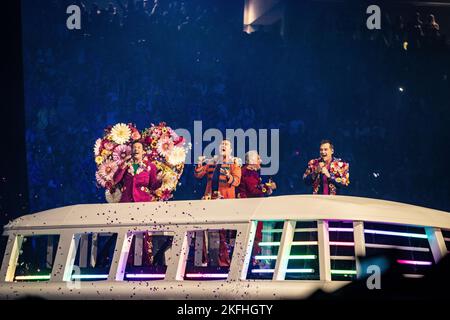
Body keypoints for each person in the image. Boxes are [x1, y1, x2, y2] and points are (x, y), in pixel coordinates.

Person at [194, 139, 242, 266]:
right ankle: (207, 260)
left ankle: (224, 262)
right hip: (210, 200)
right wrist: (199, 163)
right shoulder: (212, 163)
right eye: (222, 144)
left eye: (226, 144)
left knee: (224, 232)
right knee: (208, 229)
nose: (223, 146)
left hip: (226, 202)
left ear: (230, 149)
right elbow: (199, 175)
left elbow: (236, 181)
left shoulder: (234, 163)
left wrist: (228, 176)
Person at [237, 150, 277, 265]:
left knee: (256, 235)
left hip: (252, 208)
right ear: (253, 161)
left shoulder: (250, 172)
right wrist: (267, 186)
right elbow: (253, 190)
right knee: (255, 235)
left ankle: (253, 260)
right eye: (259, 159)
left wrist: (265, 189)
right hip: (250, 209)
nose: (261, 161)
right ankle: (253, 261)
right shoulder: (248, 172)